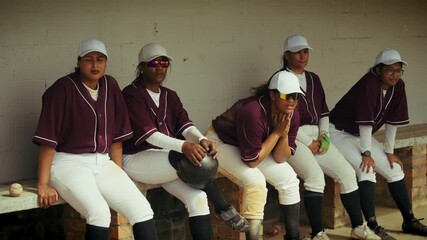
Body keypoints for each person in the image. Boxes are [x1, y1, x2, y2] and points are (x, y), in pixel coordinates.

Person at [33, 39, 158, 240]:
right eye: (89, 59)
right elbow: (48, 142)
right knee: (99, 213)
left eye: (100, 59)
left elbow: (116, 139)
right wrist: (43, 183)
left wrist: (119, 175)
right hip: (68, 163)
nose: (95, 64)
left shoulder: (110, 85)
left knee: (142, 209)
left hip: (103, 162)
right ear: (79, 61)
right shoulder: (62, 88)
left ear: (106, 62)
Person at [121, 43, 249, 240]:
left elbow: (185, 126)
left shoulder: (169, 96)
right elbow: (150, 136)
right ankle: (223, 207)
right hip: (137, 159)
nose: (160, 67)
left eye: (164, 63)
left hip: (166, 161)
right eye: (154, 62)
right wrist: (184, 146)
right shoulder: (131, 94)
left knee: (198, 198)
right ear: (142, 67)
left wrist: (202, 139)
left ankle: (220, 208)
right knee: (196, 161)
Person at [280, 34, 380, 240]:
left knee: (347, 174)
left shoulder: (313, 78)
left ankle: (358, 227)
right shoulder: (280, 79)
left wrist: (324, 136)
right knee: (315, 178)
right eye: (297, 51)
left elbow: (324, 112)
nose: (302, 55)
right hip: (291, 136)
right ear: (287, 55)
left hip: (317, 133)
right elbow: (280, 118)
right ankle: (318, 233)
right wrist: (309, 142)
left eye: (305, 51)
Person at [329, 48, 427, 239]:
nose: (395, 74)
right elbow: (365, 123)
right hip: (339, 132)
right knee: (366, 171)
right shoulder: (368, 84)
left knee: (395, 169)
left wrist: (389, 151)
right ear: (378, 69)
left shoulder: (398, 86)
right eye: (390, 70)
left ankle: (409, 221)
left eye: (398, 70)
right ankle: (372, 226)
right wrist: (366, 154)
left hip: (360, 134)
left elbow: (393, 121)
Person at [205, 70, 303, 240]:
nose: (292, 101)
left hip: (250, 147)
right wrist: (277, 133)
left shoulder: (292, 114)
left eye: (296, 96)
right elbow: (252, 161)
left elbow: (280, 158)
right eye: (286, 95)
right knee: (255, 181)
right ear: (272, 95)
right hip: (220, 143)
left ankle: (294, 237)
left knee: (289, 178)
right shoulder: (253, 111)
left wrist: (283, 134)